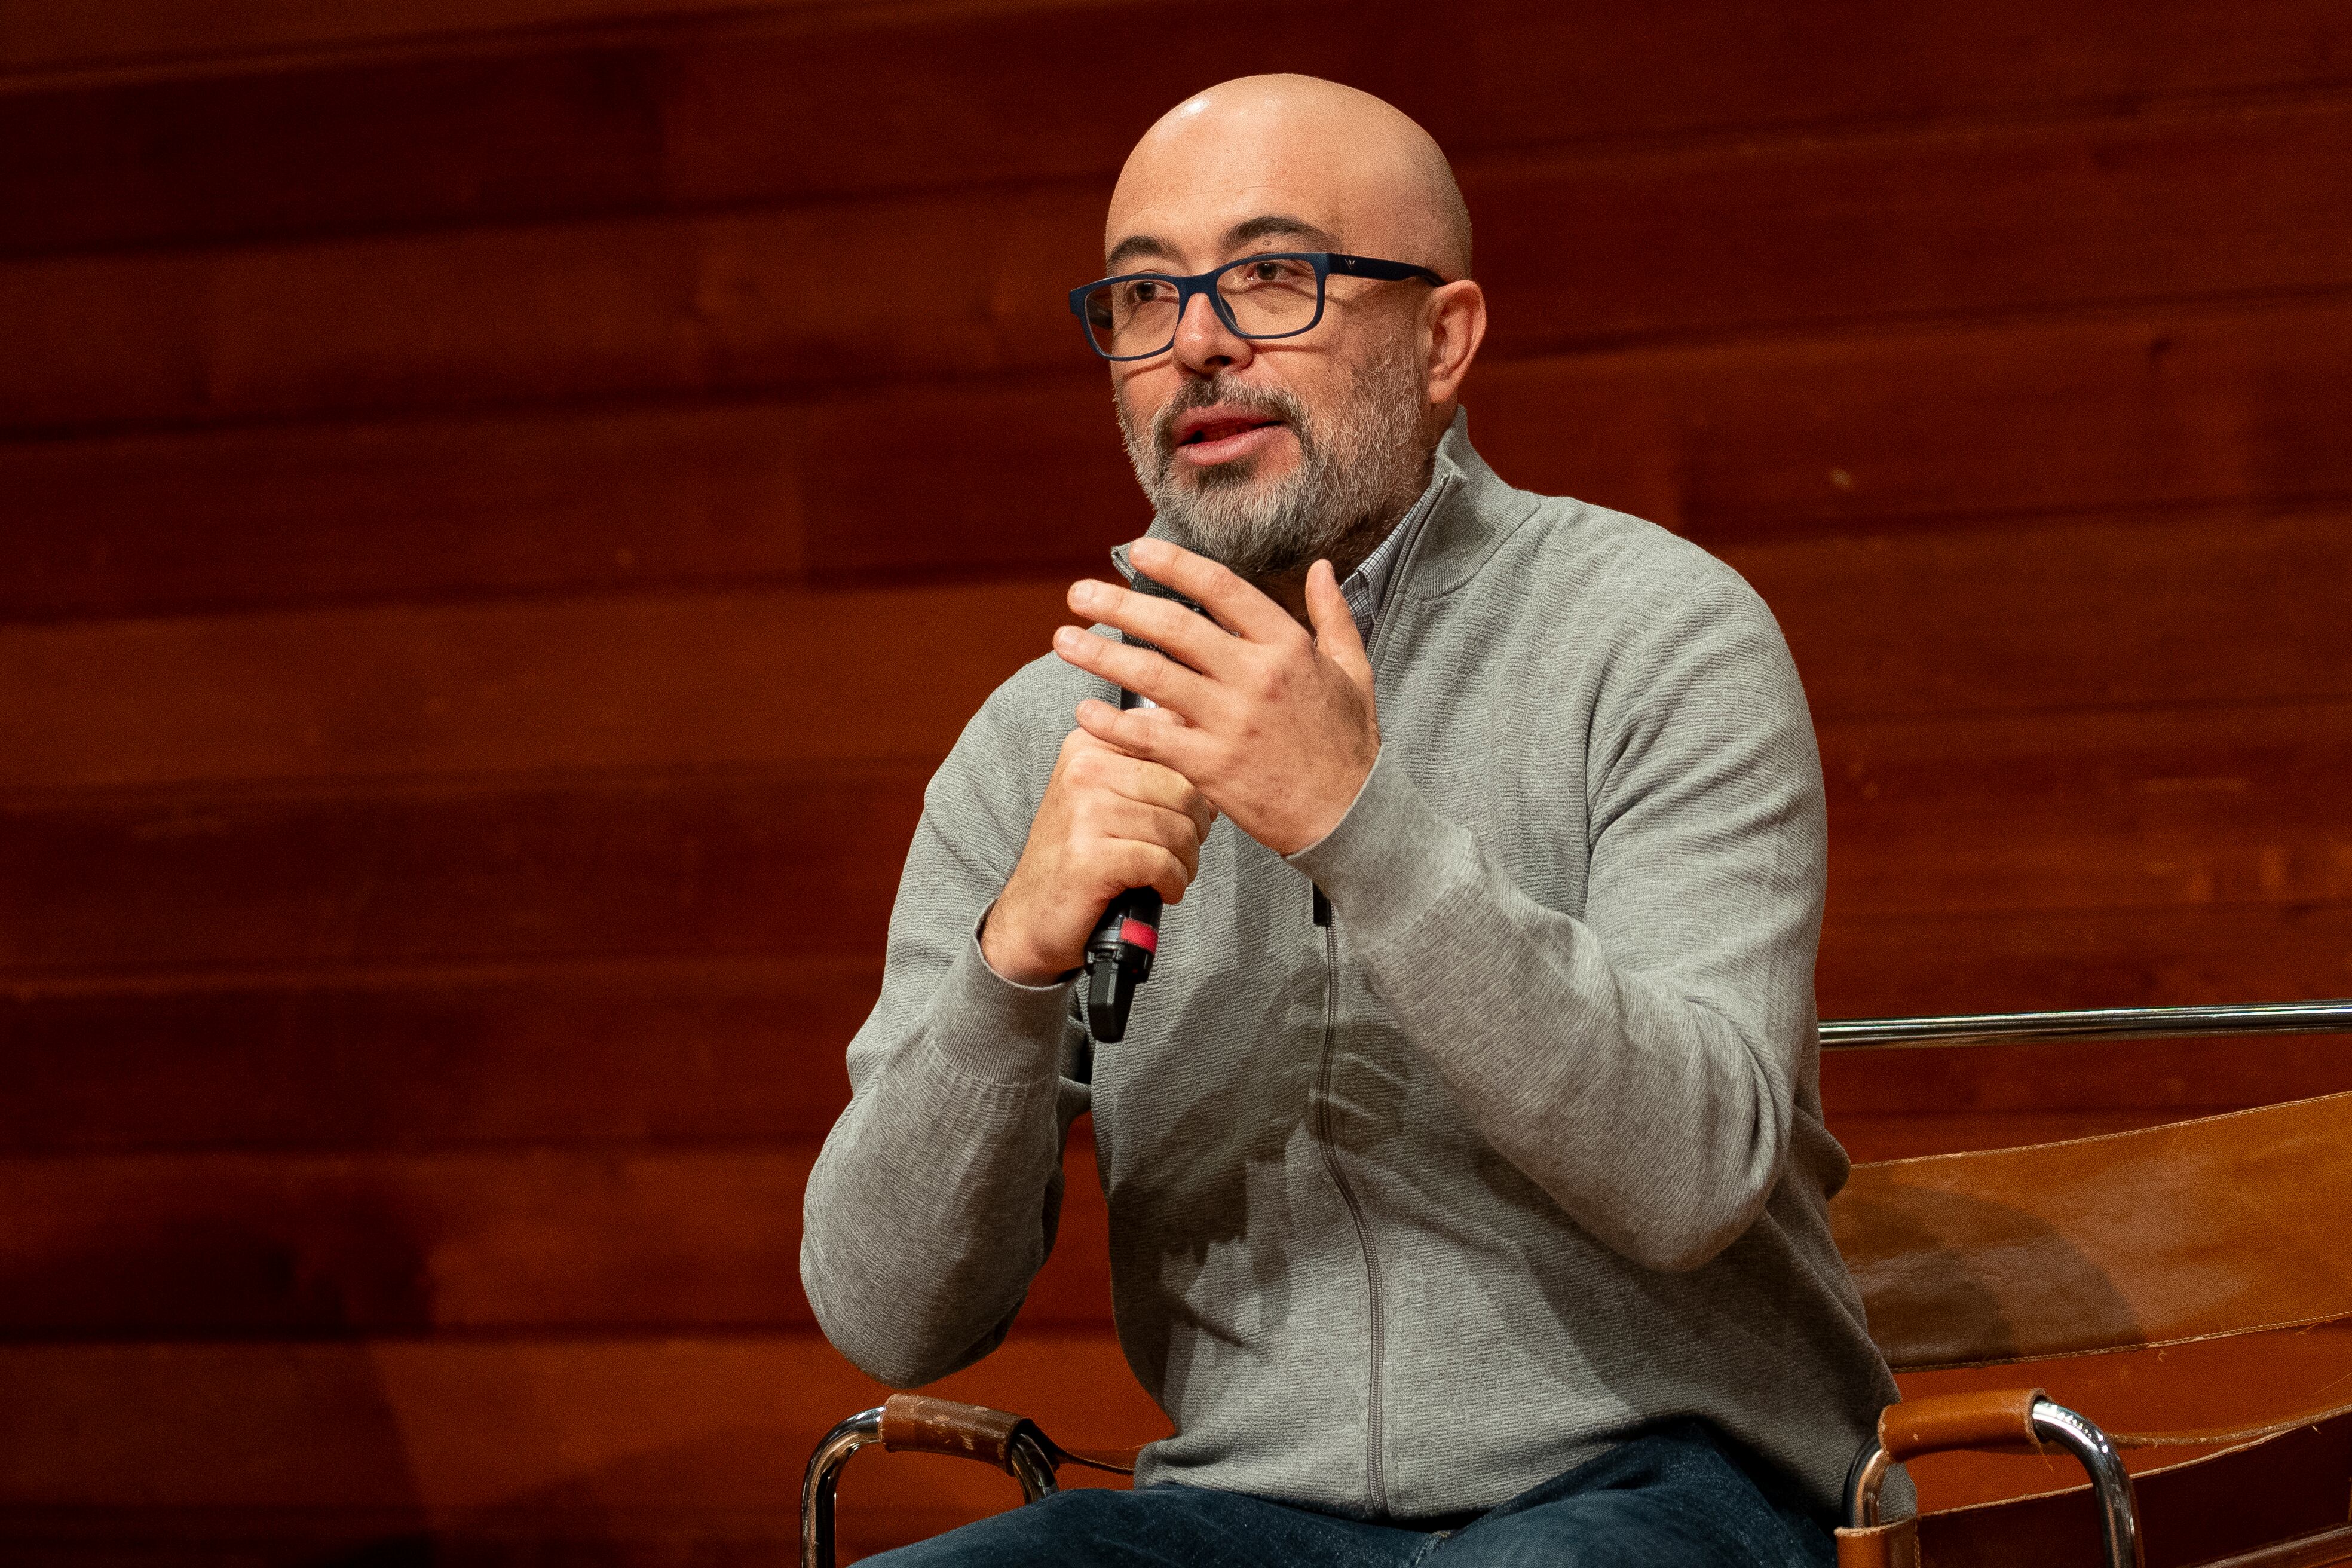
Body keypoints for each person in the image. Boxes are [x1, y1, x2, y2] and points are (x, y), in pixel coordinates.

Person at [801, 74, 1898, 1566]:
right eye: (1143, 295)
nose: (1197, 340)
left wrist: (1355, 822)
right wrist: (1011, 968)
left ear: (1442, 341)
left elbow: (1696, 1174)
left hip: (1670, 1487)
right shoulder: (1041, 741)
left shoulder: (1659, 636)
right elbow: (887, 1313)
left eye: (1271, 275)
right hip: (1244, 1519)